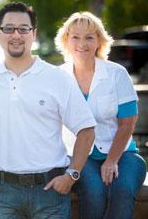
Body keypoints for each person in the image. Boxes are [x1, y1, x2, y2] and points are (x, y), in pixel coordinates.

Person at [0, 2, 97, 219]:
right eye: (9, 28)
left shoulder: (58, 78)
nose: (16, 34)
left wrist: (71, 175)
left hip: (50, 192)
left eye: (23, 29)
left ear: (33, 34)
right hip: (2, 192)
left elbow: (86, 130)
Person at [55, 11, 147, 219]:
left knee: (122, 190)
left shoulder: (117, 74)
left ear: (99, 41)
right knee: (94, 193)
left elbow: (127, 123)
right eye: (75, 37)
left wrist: (112, 160)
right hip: (79, 156)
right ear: (66, 41)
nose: (82, 43)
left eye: (89, 37)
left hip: (123, 155)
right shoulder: (57, 77)